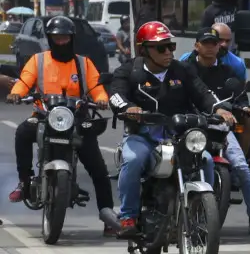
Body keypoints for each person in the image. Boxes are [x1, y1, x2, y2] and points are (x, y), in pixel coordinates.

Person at [108, 21, 235, 237]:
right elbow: (116, 95)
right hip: (143, 136)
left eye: (171, 46)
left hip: (180, 137)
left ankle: (202, 215)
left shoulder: (182, 70)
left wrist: (220, 109)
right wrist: (129, 108)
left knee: (204, 160)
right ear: (144, 49)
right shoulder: (129, 70)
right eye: (161, 47)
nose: (168, 52)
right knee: (134, 160)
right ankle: (128, 216)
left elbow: (203, 93)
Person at [5, 15, 117, 233]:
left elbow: (96, 86)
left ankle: (108, 216)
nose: (61, 42)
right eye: (57, 38)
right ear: (50, 38)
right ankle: (24, 180)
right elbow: (24, 81)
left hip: (76, 118)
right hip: (44, 115)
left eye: (65, 38)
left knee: (99, 171)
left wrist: (102, 98)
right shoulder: (38, 60)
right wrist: (16, 94)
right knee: (22, 133)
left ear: (72, 38)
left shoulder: (83, 63)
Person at [187, 28, 250, 232]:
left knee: (241, 166)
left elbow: (240, 96)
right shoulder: (186, 69)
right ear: (196, 46)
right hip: (193, 129)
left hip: (220, 127)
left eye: (214, 43)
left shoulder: (228, 72)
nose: (211, 47)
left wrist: (245, 107)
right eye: (206, 43)